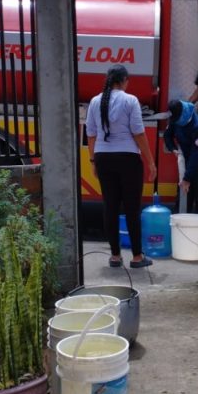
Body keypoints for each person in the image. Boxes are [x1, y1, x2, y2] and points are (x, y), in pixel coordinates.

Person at [86, 64, 157, 268]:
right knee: (132, 207)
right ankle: (137, 257)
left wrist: (93, 161)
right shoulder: (130, 100)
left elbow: (91, 134)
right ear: (124, 81)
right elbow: (138, 133)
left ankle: (115, 256)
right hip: (128, 158)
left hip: (103, 157)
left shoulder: (95, 101)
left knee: (110, 206)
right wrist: (150, 162)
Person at [164, 99, 198, 212]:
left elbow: (196, 155)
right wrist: (173, 148)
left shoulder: (197, 125)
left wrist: (187, 178)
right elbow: (168, 135)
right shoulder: (175, 119)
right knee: (183, 197)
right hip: (185, 161)